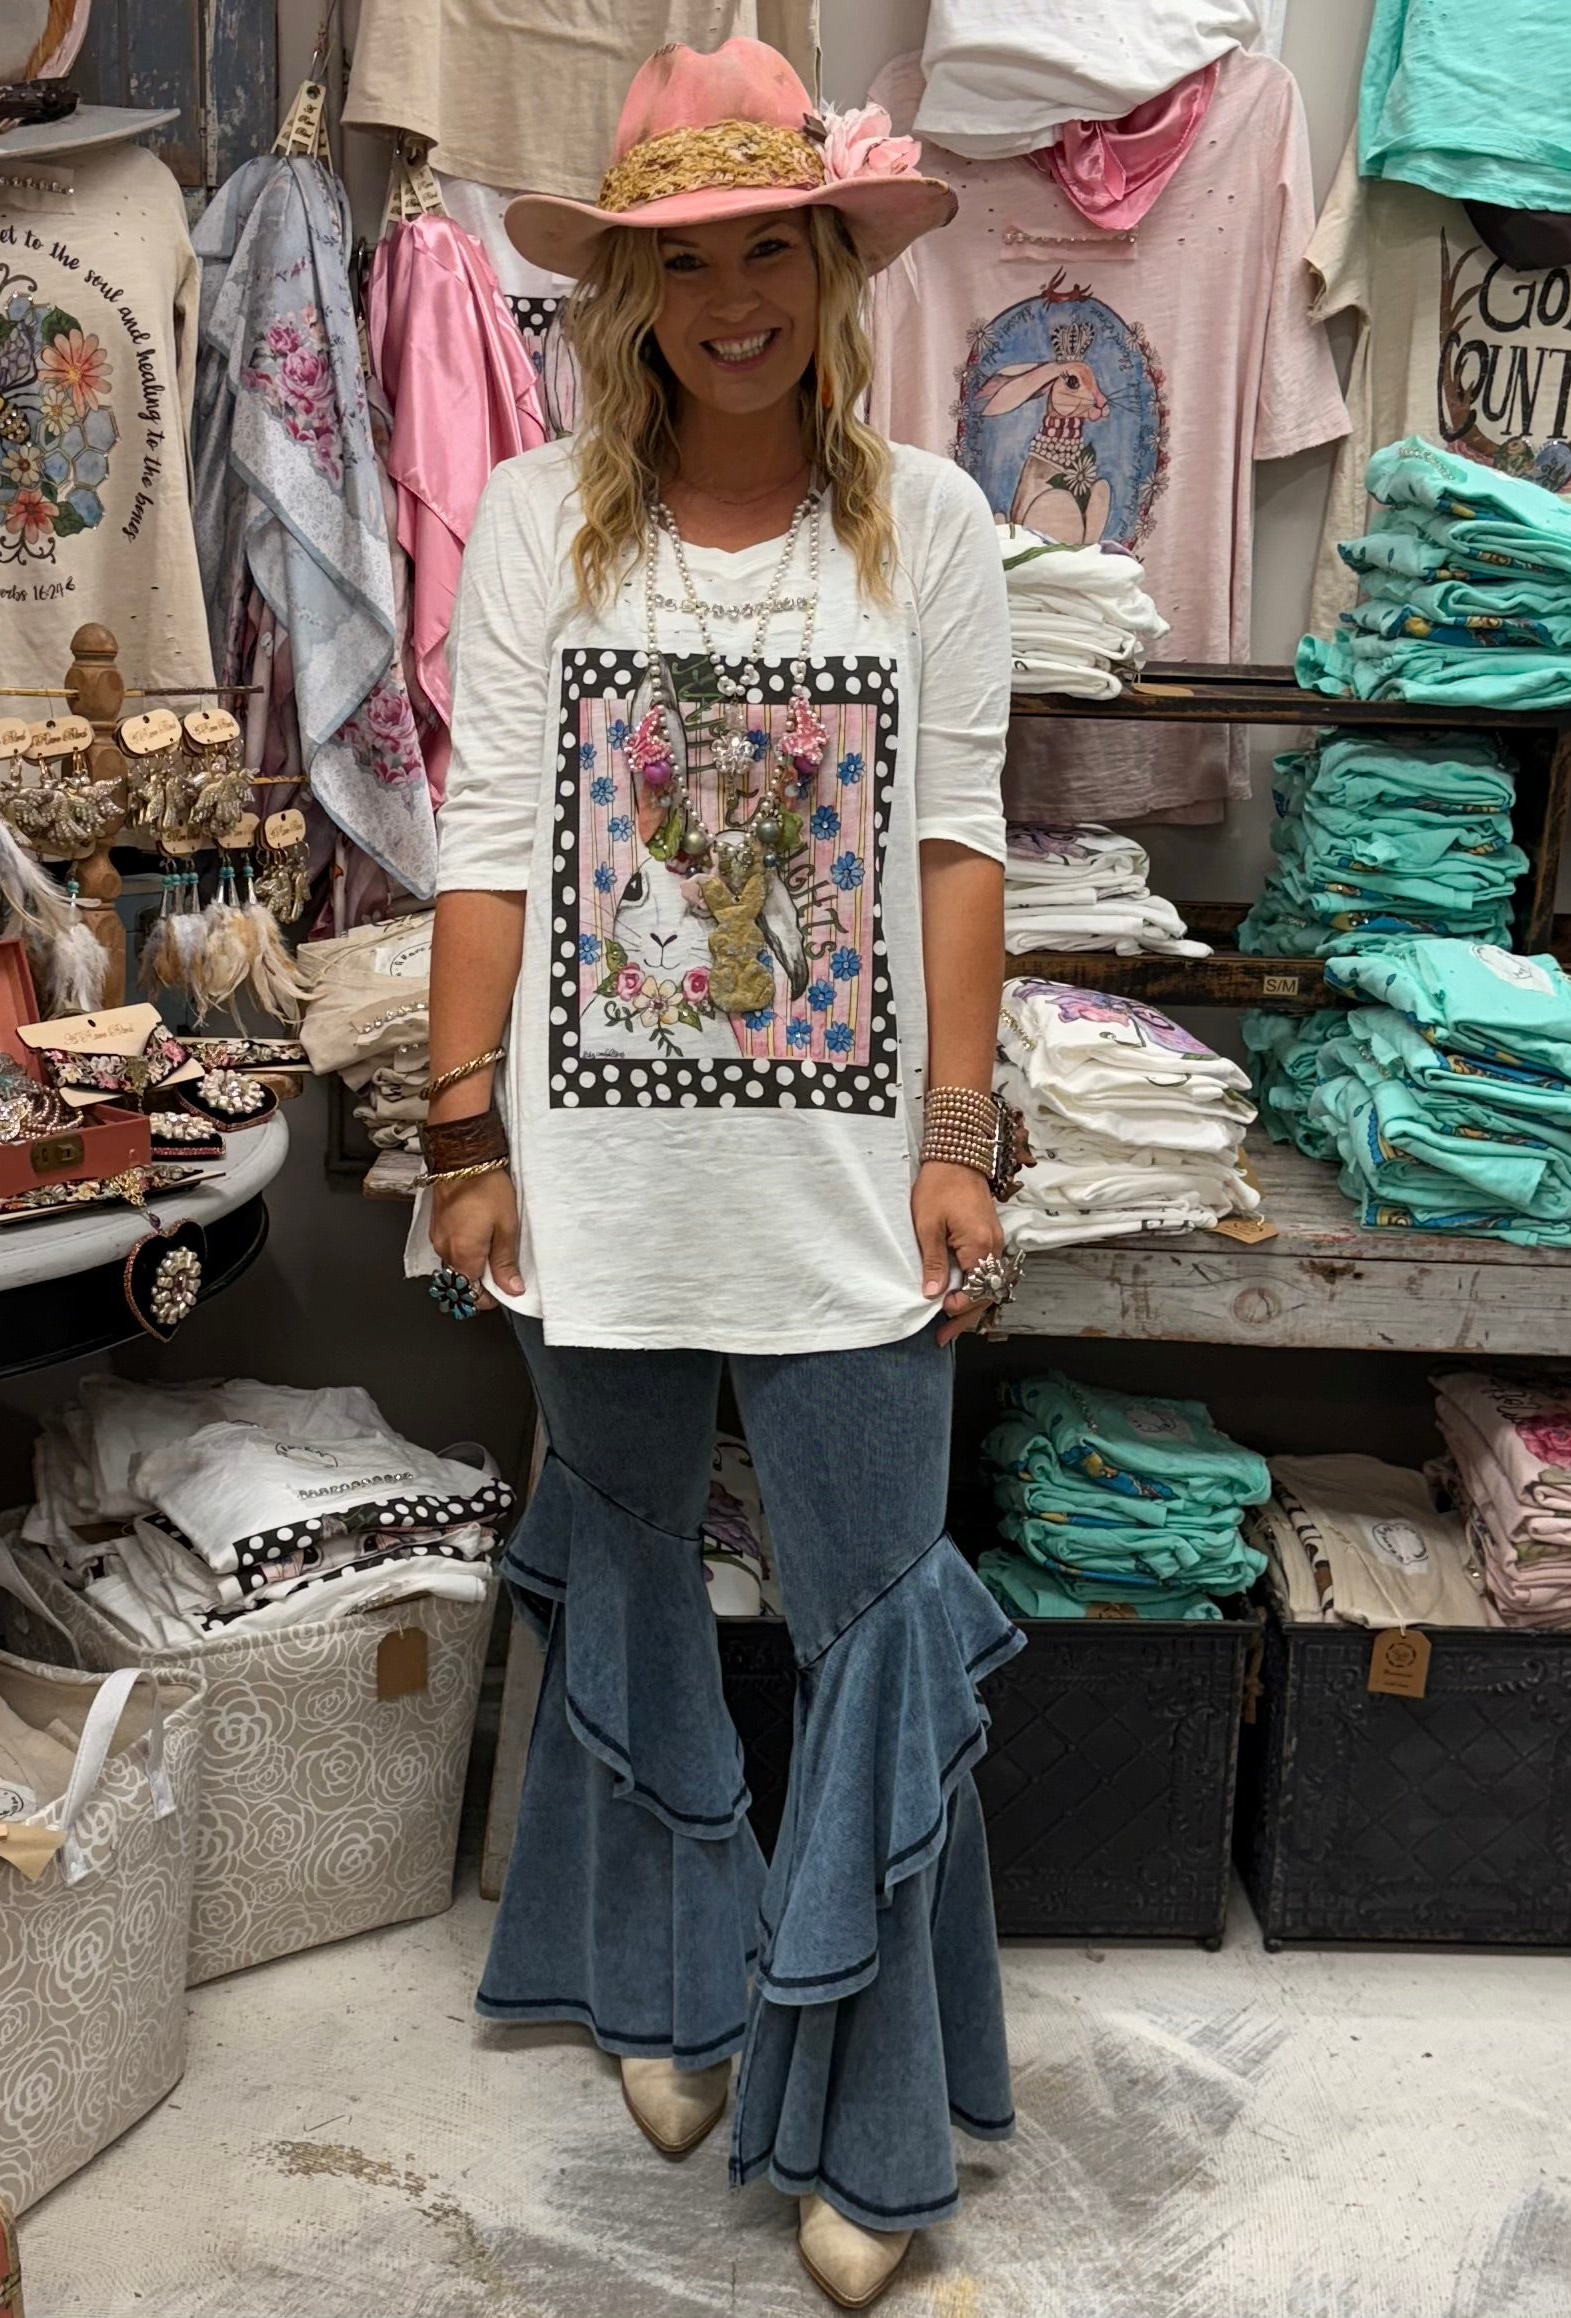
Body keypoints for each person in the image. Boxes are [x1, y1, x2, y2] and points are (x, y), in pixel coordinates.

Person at [415, 38, 1022, 2310]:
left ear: (833, 269)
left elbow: (953, 851)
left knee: (876, 1606)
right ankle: (662, 1990)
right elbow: (490, 849)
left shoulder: (929, 526)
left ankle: (874, 2116)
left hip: (846, 1194)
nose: (733, 298)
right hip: (602, 1186)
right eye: (684, 262)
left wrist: (955, 1138)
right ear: (628, 293)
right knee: (636, 1559)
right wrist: (462, 1134)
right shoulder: (533, 521)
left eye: (772, 249)